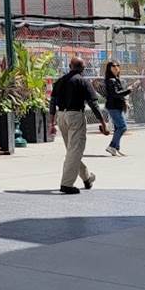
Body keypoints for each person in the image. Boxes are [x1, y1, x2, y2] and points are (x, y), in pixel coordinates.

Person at [50, 56, 109, 194]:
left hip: (61, 116)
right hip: (75, 116)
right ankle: (66, 184)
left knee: (72, 151)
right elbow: (93, 104)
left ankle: (87, 177)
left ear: (70, 66)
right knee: (75, 151)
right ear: (83, 69)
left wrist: (51, 122)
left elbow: (52, 102)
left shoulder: (60, 81)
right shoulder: (83, 82)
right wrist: (103, 122)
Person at [102, 60, 136, 156]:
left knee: (118, 128)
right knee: (122, 127)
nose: (116, 67)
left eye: (117, 66)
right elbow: (115, 94)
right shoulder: (111, 80)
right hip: (113, 107)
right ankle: (112, 146)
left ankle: (116, 148)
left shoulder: (115, 79)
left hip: (117, 106)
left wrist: (125, 100)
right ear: (109, 68)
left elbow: (118, 94)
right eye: (113, 66)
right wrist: (128, 91)